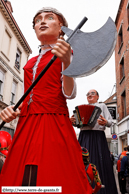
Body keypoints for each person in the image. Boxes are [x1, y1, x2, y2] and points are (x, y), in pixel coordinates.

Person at [0, 7, 91, 193]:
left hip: (52, 120)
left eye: (49, 18)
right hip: (26, 121)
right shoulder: (31, 61)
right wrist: (14, 109)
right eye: (37, 20)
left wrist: (66, 62)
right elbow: (29, 95)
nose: (42, 21)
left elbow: (70, 93)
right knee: (20, 172)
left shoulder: (65, 54)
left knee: (52, 170)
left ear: (61, 29)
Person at [71, 89, 118, 194]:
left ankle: (102, 189)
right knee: (81, 163)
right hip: (84, 135)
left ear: (97, 96)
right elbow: (77, 124)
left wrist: (106, 122)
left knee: (98, 162)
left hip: (97, 136)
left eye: (92, 93)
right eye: (87, 94)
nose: (89, 95)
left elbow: (110, 122)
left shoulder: (102, 106)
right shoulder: (81, 108)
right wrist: (73, 122)